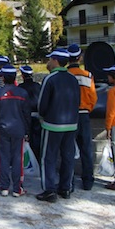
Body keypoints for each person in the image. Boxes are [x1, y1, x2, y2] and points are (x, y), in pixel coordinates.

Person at [36, 49, 80, 203]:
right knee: (68, 157)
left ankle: (49, 190)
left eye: (49, 60)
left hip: (53, 125)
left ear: (55, 60)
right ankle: (66, 188)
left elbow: (42, 104)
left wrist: (43, 117)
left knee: (48, 158)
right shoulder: (73, 79)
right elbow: (78, 102)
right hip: (71, 124)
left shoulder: (50, 79)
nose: (47, 62)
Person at [0, 65, 31, 197]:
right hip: (18, 129)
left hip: (2, 129)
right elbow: (27, 114)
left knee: (4, 158)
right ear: (15, 77)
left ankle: (4, 187)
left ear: (2, 77)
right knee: (17, 158)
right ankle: (17, 188)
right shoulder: (23, 93)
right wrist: (27, 130)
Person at [67, 44, 98, 190]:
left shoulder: (65, 76)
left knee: (68, 149)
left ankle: (69, 181)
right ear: (80, 58)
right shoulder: (88, 76)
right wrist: (87, 109)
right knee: (86, 149)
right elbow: (93, 98)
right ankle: (88, 181)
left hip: (68, 116)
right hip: (84, 115)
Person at [18, 65, 42, 161]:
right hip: (37, 115)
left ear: (23, 76)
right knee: (37, 139)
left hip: (25, 116)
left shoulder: (20, 88)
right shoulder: (37, 86)